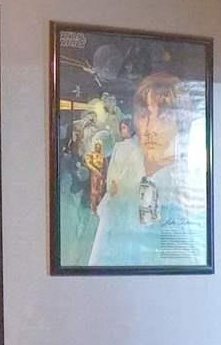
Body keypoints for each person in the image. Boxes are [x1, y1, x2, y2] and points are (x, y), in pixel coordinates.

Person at [84, 67, 207, 267]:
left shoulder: (192, 177)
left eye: (163, 116)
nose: (150, 128)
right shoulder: (123, 156)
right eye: (143, 115)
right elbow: (106, 234)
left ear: (182, 122)